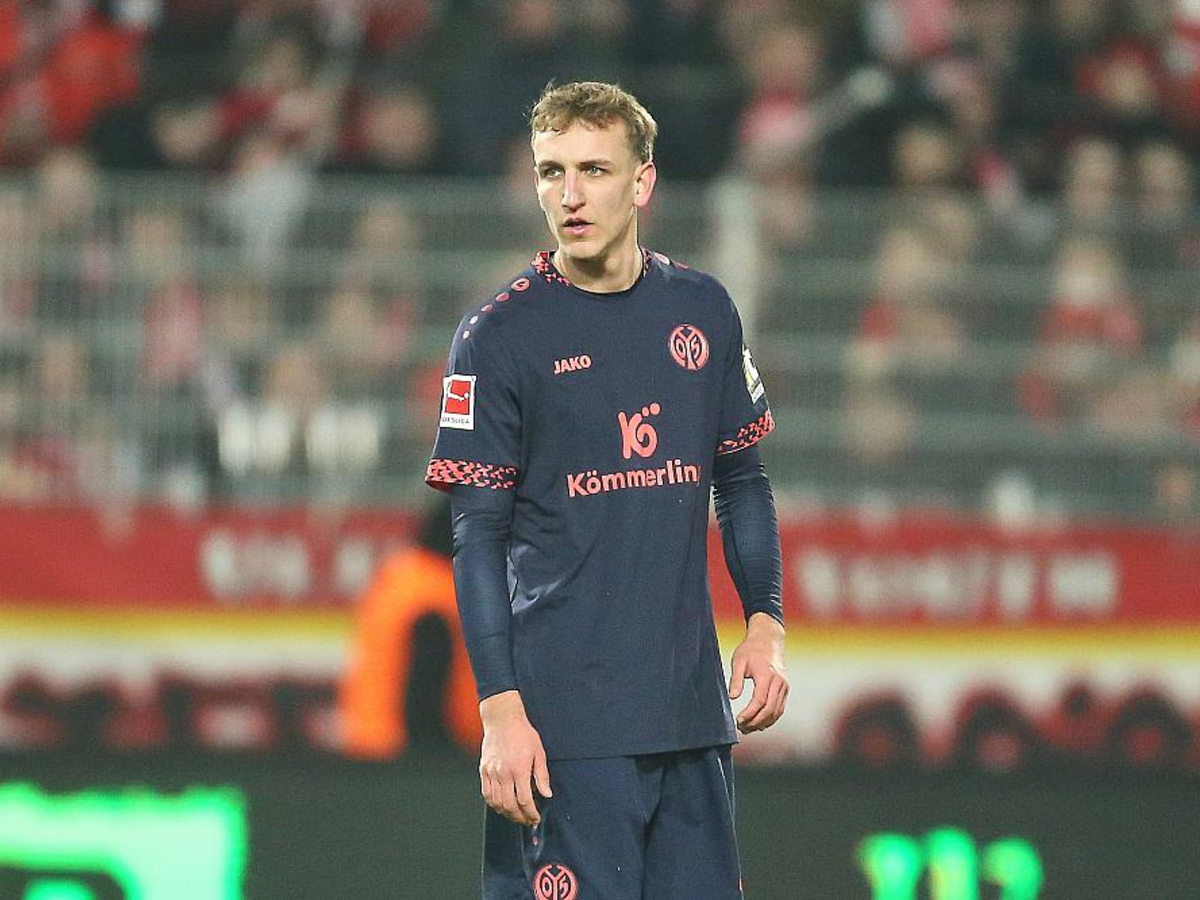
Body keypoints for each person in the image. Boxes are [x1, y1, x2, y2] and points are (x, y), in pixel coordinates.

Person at [426, 81, 787, 898]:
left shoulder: (703, 310)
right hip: (565, 730)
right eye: (551, 172)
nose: (570, 195)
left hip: (691, 720)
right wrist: (500, 710)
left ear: (642, 181)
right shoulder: (497, 338)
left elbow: (742, 477)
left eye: (593, 170)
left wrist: (765, 621)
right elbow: (476, 538)